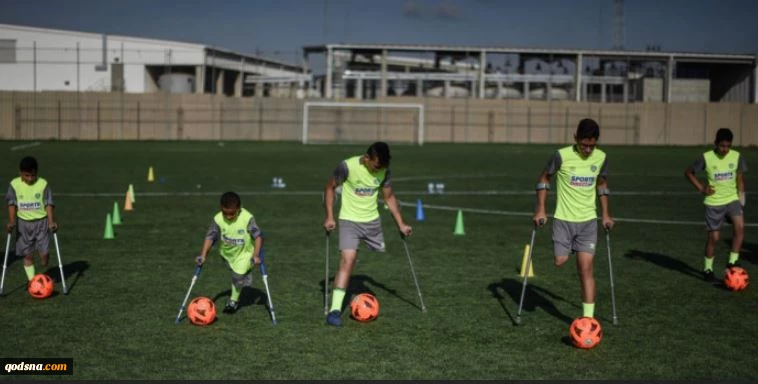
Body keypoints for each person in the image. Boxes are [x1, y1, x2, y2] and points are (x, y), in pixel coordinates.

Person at [323, 141, 413, 327]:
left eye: (383, 166)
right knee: (348, 259)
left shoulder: (384, 171)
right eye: (376, 165)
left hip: (372, 222)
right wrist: (330, 216)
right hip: (349, 220)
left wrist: (401, 224)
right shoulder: (347, 166)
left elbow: (388, 197)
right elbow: (329, 187)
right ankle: (334, 311)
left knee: (377, 257)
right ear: (366, 159)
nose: (378, 169)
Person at [533, 118, 614, 319]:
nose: (588, 150)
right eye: (584, 145)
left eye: (592, 146)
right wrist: (541, 209)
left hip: (588, 221)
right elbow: (544, 179)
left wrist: (605, 214)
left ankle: (588, 320)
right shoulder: (561, 156)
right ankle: (566, 251)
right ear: (575, 138)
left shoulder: (601, 157)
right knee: (560, 261)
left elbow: (602, 184)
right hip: (563, 220)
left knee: (585, 269)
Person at [685, 128, 747, 281]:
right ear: (716, 143)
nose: (725, 149)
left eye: (728, 146)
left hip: (732, 199)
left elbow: (739, 177)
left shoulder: (737, 156)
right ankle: (708, 269)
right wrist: (702, 188)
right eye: (722, 146)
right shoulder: (706, 157)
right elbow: (688, 172)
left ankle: (732, 261)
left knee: (739, 227)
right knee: (714, 238)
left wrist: (741, 196)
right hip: (714, 203)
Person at [195, 191, 263, 314]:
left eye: (232, 213)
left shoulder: (247, 218)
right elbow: (211, 236)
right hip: (227, 254)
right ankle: (245, 275)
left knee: (237, 276)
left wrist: (256, 255)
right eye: (225, 213)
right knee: (237, 274)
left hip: (245, 253)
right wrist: (203, 255)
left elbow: (258, 236)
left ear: (239, 208)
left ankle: (233, 301)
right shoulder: (218, 218)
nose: (228, 217)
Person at [5, 156, 58, 284]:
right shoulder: (14, 185)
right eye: (26, 175)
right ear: (20, 173)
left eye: (33, 176)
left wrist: (51, 222)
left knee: (44, 256)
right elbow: (12, 204)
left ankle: (45, 260)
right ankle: (32, 282)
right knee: (28, 255)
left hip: (42, 223)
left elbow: (48, 204)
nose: (30, 179)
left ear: (37, 173)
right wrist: (12, 221)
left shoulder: (43, 184)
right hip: (23, 225)